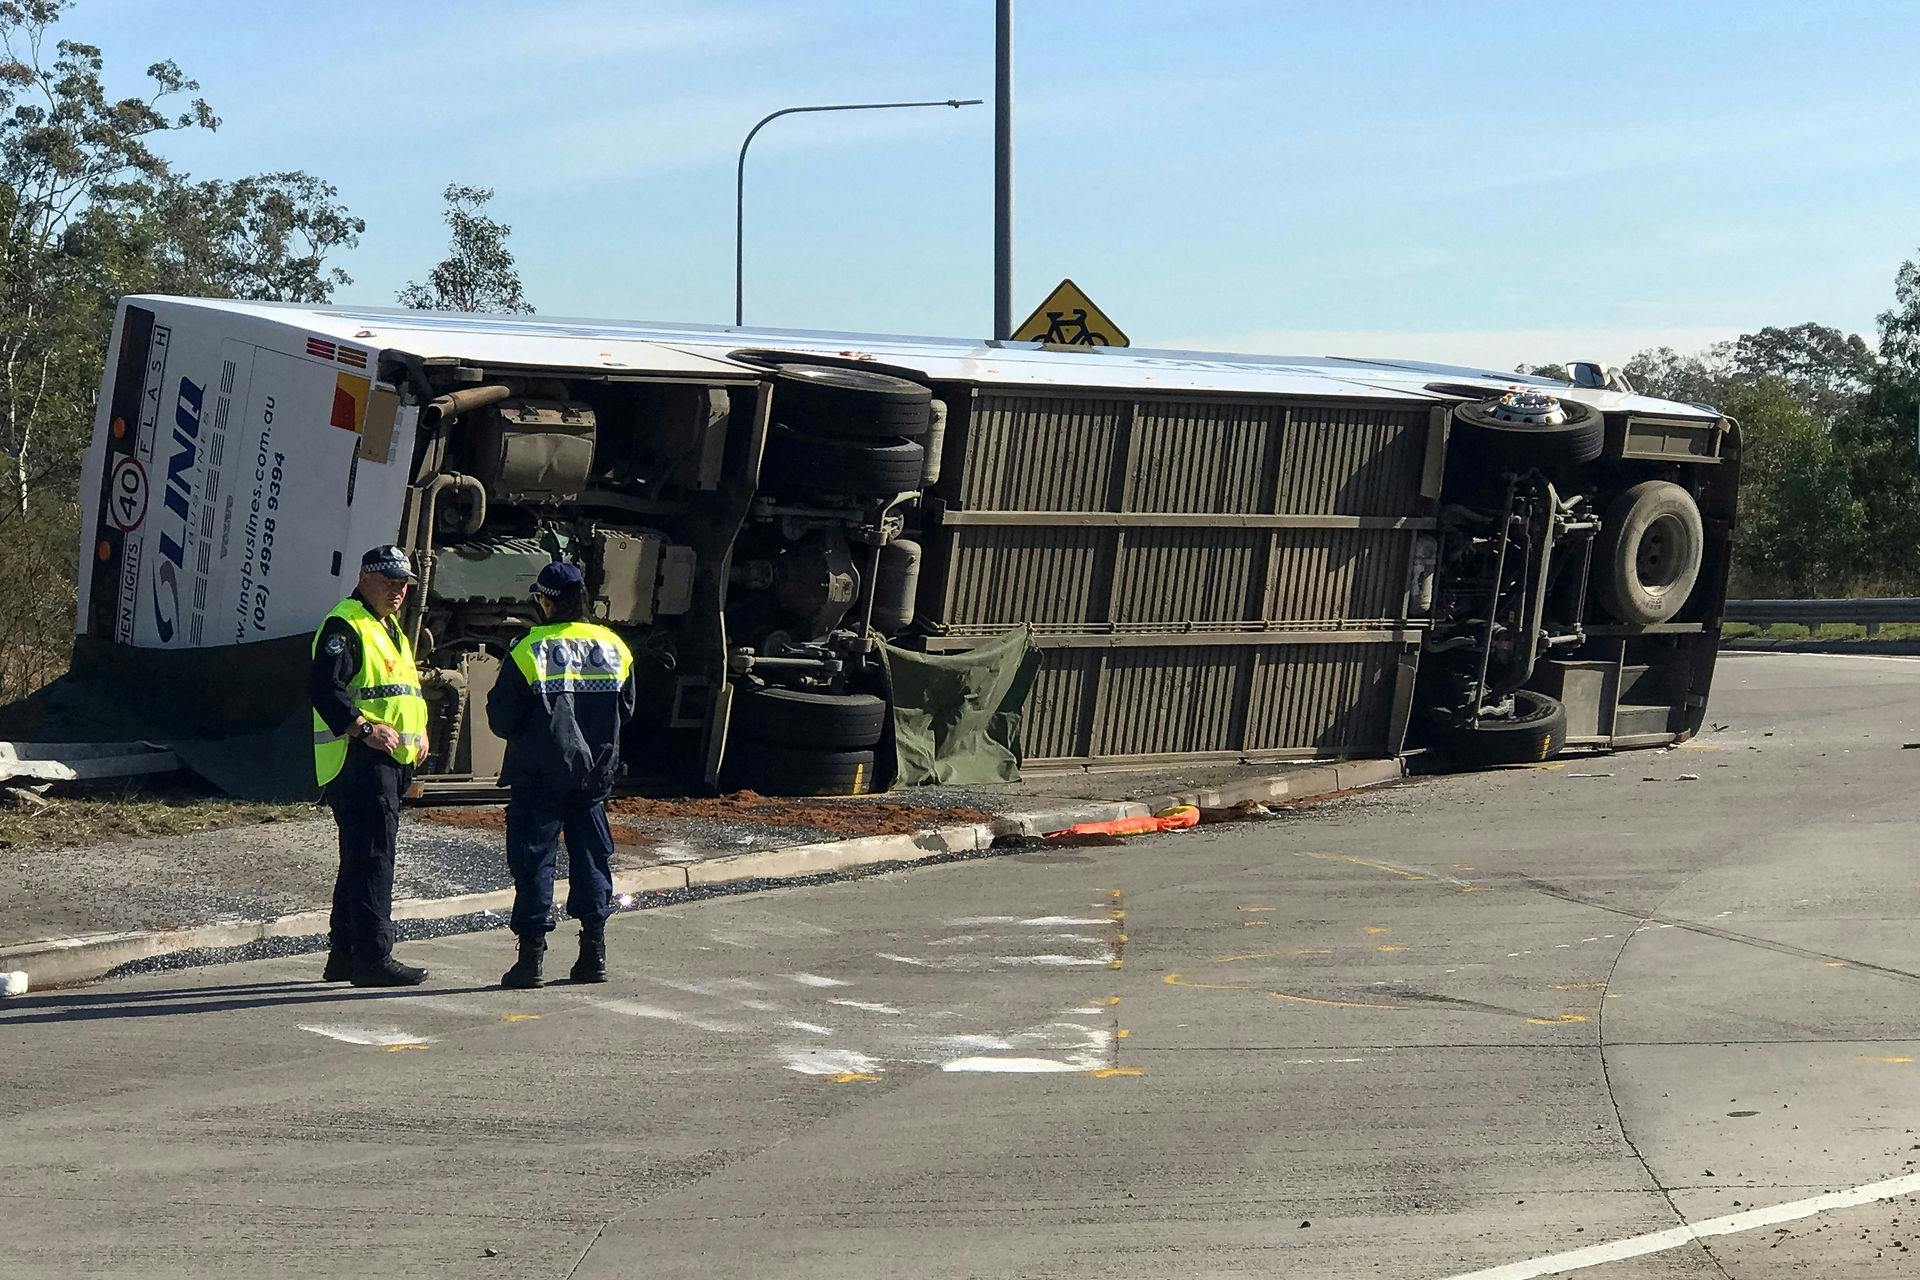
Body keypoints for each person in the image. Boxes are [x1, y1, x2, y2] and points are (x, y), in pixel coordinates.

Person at [487, 561, 637, 989]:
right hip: (593, 778)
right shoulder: (614, 647)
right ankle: (593, 955)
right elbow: (626, 711)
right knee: (592, 860)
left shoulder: (528, 648)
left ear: (547, 601)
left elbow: (501, 718)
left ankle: (530, 961)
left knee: (535, 861)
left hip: (538, 776)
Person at [308, 545, 432, 987]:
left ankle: (344, 956)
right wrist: (362, 729)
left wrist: (419, 732)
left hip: (389, 760)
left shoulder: (387, 625)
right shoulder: (346, 623)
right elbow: (324, 688)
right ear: (364, 578)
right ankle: (373, 957)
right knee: (375, 859)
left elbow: (401, 690)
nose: (398, 591)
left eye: (403, 584)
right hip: (360, 759)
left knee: (361, 859)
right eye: (389, 581)